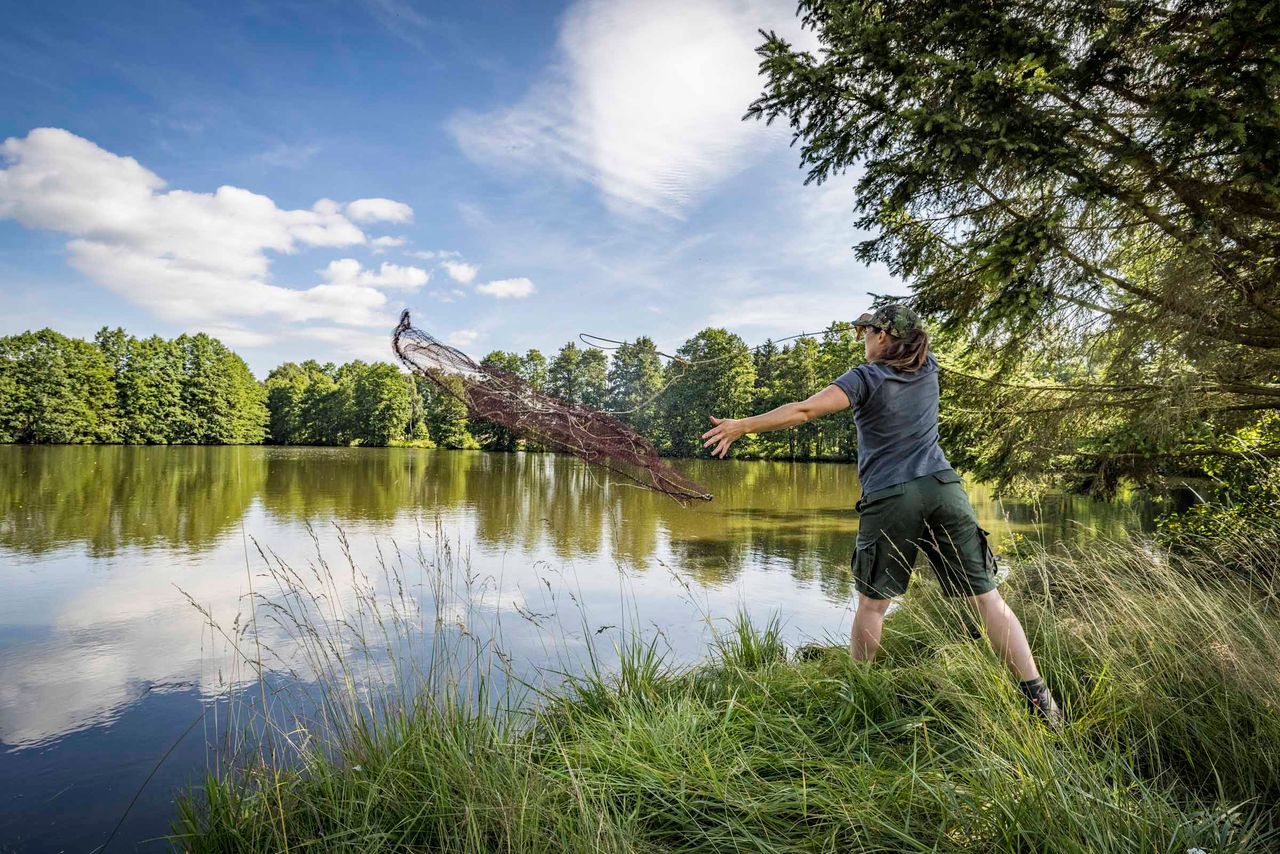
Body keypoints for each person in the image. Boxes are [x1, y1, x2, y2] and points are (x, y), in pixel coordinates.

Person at [701, 303, 1062, 727]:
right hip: (946, 489)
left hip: (893, 496)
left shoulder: (865, 379)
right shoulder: (928, 369)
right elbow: (910, 344)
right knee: (987, 599)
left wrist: (741, 425)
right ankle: (1042, 703)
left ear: (884, 337)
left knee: (874, 606)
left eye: (867, 332)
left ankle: (858, 699)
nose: (864, 341)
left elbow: (804, 410)